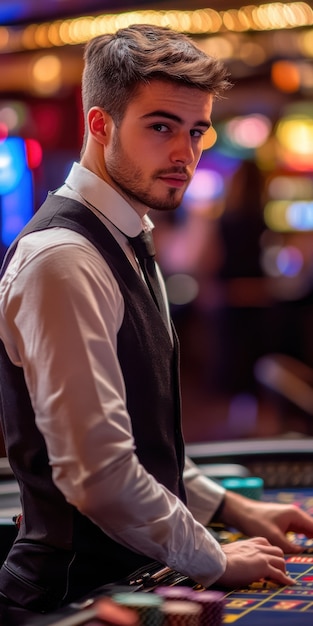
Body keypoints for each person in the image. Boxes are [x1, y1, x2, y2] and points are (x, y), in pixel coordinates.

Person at [0, 23, 313, 625]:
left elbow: (143, 442)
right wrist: (211, 555)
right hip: (70, 598)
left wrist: (230, 507)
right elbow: (99, 474)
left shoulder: (128, 237)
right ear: (99, 125)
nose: (186, 155)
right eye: (162, 127)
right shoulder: (64, 259)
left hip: (131, 575)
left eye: (197, 131)